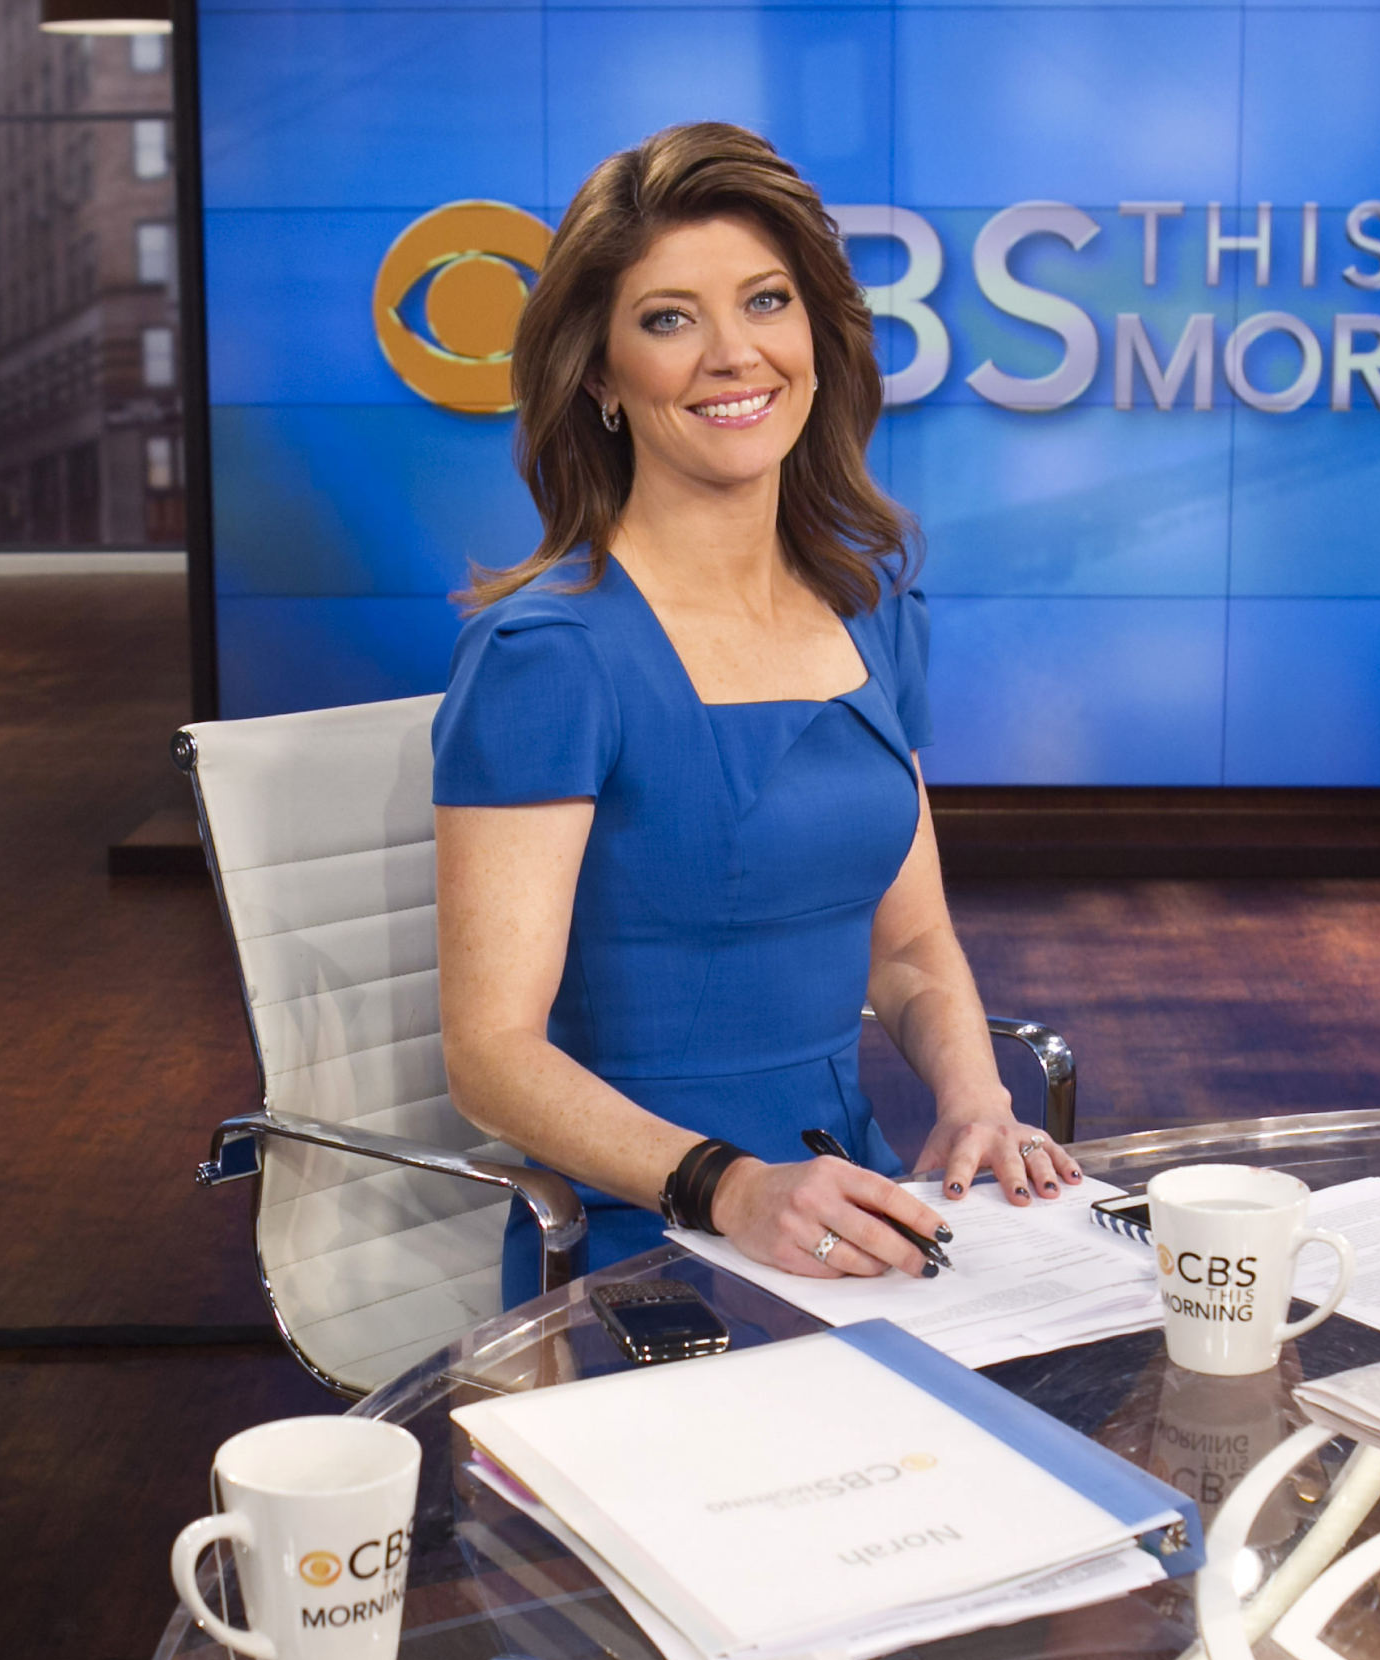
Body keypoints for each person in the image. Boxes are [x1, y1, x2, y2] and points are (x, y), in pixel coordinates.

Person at [433, 123, 1084, 1306]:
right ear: (599, 375)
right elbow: (491, 1059)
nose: (734, 354)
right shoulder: (547, 656)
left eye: (766, 301)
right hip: (648, 1238)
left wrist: (974, 1097)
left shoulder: (871, 609)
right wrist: (730, 1188)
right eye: (667, 319)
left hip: (854, 1205)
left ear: (817, 335)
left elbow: (909, 947)